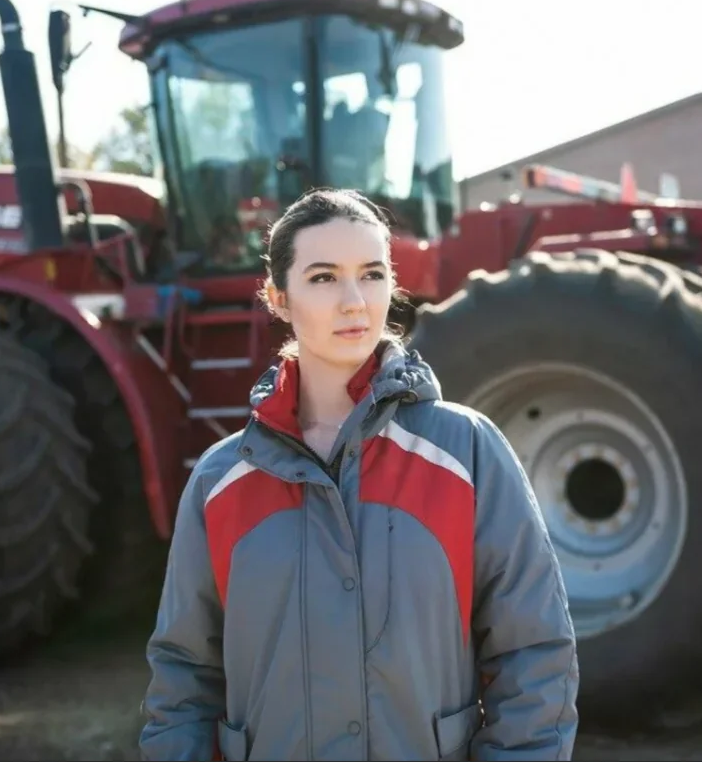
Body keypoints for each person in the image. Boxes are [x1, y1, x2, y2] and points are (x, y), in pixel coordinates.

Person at [138, 188, 580, 761]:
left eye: (371, 274)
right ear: (278, 297)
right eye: (323, 277)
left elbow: (535, 652)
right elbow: (184, 677)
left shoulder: (467, 452)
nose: (354, 301)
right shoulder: (221, 482)